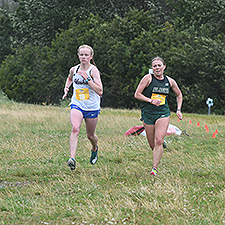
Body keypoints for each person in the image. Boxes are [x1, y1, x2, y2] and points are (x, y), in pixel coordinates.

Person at [134, 56, 183, 176]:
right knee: (152, 144)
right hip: (148, 113)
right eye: (154, 66)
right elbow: (137, 94)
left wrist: (178, 109)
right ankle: (160, 145)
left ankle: (154, 169)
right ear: (152, 68)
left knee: (158, 140)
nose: (157, 68)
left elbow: (179, 94)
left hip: (163, 113)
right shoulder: (148, 78)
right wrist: (150, 101)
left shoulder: (170, 81)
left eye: (159, 65)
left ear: (164, 67)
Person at [62, 44, 103, 170]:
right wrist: (67, 88)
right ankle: (72, 159)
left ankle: (94, 148)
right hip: (77, 104)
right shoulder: (74, 69)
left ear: (91, 57)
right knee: (75, 128)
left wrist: (88, 79)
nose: (83, 57)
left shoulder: (93, 70)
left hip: (91, 107)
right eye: (81, 54)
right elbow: (69, 78)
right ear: (78, 56)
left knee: (90, 135)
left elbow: (100, 91)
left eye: (86, 55)